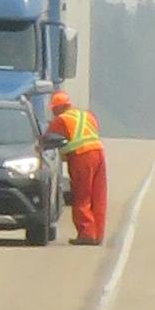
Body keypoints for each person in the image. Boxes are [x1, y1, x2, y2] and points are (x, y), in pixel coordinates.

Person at [48, 84, 110, 246]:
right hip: (98, 154)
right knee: (98, 196)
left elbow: (47, 140)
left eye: (54, 110)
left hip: (82, 157)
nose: (53, 113)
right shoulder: (87, 115)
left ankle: (87, 234)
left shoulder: (61, 120)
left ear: (59, 108)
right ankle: (98, 234)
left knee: (81, 196)